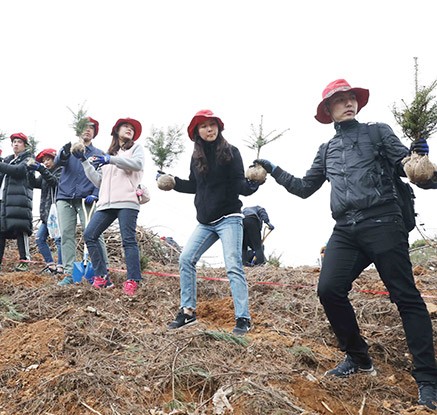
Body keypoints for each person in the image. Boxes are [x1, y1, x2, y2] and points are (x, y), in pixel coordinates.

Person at [254, 79, 437, 410]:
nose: (348, 102)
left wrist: (418, 159)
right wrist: (273, 169)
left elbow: (406, 168)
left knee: (406, 297)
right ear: (329, 110)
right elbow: (305, 187)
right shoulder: (327, 151)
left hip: (383, 221)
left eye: (351, 98)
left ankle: (427, 380)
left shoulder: (378, 132)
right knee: (329, 289)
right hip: (346, 230)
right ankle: (358, 358)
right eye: (340, 100)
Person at [162, 109, 260, 335]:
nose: (209, 129)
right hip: (205, 221)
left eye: (213, 124)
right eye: (204, 126)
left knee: (233, 265)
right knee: (186, 259)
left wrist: (253, 183)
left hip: (229, 218)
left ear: (219, 127)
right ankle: (187, 312)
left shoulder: (231, 152)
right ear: (197, 131)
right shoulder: (196, 158)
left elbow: (239, 185)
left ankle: (243, 318)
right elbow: (195, 186)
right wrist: (173, 182)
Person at [78, 117, 145, 296]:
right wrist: (84, 162)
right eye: (126, 127)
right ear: (117, 130)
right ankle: (102, 277)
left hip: (127, 201)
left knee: (128, 240)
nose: (129, 129)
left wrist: (111, 159)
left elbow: (137, 165)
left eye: (132, 128)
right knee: (90, 235)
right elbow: (100, 181)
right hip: (106, 203)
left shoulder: (135, 149)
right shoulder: (108, 154)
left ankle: (133, 280)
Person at [54, 117, 108, 286]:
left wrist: (96, 193)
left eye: (92, 128)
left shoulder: (98, 153)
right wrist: (63, 153)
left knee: (93, 233)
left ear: (94, 133)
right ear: (78, 130)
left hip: (87, 198)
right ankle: (70, 273)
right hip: (65, 196)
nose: (88, 130)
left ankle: (103, 270)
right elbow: (57, 163)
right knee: (66, 235)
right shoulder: (69, 149)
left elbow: (103, 177)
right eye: (85, 127)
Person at [0, 133, 34, 272]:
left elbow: (18, 171)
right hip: (5, 200)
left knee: (21, 229)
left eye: (19, 142)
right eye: (14, 141)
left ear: (24, 145)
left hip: (20, 200)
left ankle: (24, 260)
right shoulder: (8, 160)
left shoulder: (28, 159)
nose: (16, 144)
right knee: (0, 231)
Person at [28, 148, 63, 274]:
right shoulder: (44, 173)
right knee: (39, 238)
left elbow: (54, 182)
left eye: (48, 159)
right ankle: (51, 264)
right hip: (45, 214)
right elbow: (33, 183)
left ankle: (61, 266)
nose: (46, 163)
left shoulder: (61, 171)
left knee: (59, 240)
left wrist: (41, 169)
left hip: (57, 213)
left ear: (55, 159)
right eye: (44, 161)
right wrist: (30, 172)